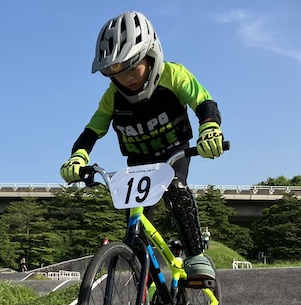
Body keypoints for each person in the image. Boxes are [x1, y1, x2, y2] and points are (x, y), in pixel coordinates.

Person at [60, 11, 225, 285]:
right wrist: (78, 156)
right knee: (134, 225)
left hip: (174, 154)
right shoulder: (112, 97)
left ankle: (196, 255)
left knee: (177, 192)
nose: (126, 79)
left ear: (151, 56)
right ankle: (145, 282)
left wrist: (209, 127)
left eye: (131, 68)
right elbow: (92, 130)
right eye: (116, 73)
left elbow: (204, 102)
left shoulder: (174, 75)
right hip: (138, 161)